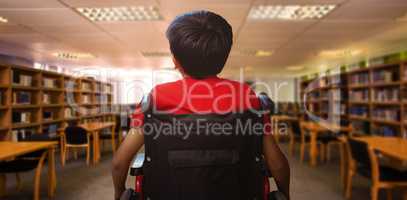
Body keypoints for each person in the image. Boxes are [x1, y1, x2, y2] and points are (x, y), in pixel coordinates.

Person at [112, 10, 290, 200]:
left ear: (174, 60)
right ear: (224, 58)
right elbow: (277, 165)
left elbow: (119, 163)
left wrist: (118, 192)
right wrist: (285, 193)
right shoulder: (248, 97)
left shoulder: (155, 99)